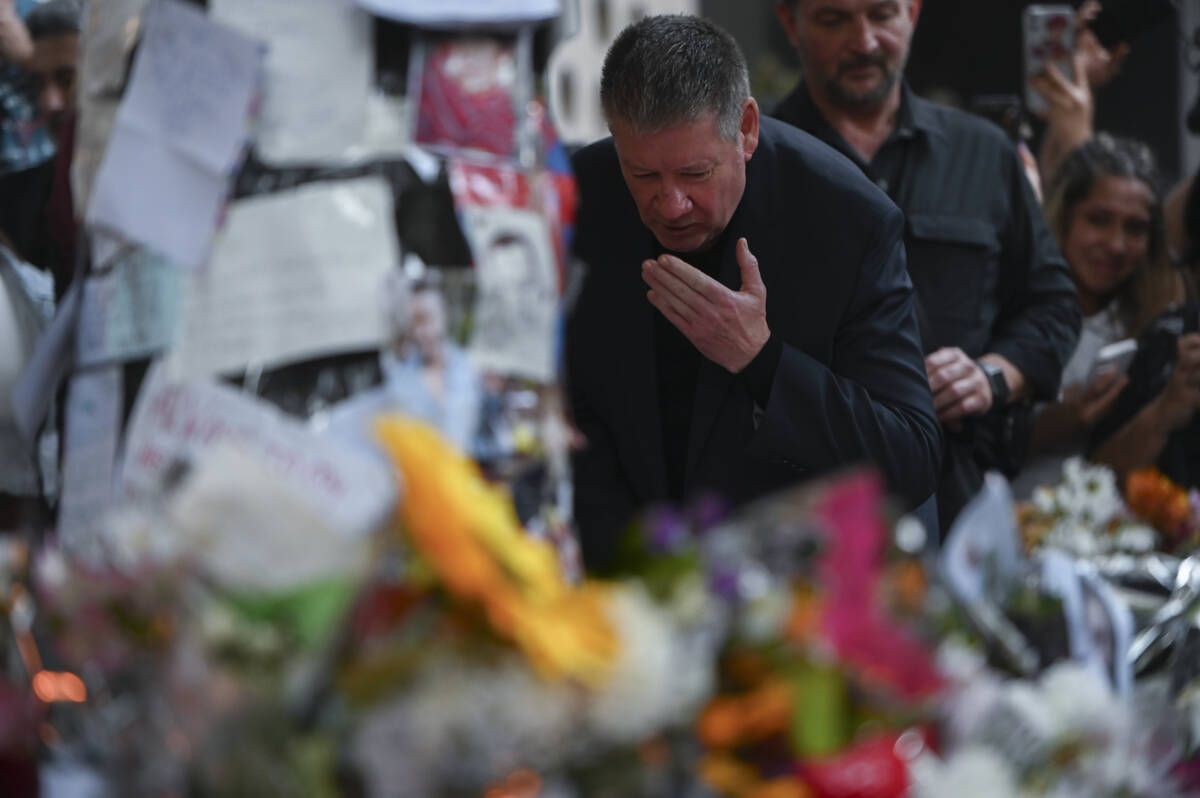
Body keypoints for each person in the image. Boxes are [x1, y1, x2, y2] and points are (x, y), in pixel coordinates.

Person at [567, 14, 941, 570]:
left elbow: (908, 460)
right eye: (643, 176)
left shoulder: (849, 220)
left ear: (746, 129)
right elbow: (577, 415)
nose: (670, 205)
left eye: (695, 174)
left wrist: (762, 361)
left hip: (799, 581)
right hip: (627, 571)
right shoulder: (577, 197)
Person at [771, 0, 1081, 532]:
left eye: (882, 15)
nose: (864, 41)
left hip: (962, 499)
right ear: (789, 23)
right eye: (833, 19)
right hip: (802, 510)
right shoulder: (757, 162)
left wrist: (991, 377)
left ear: (912, 15)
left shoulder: (984, 154)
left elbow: (1051, 304)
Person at [1013, 135, 1186, 494]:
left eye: (1135, 228)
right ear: (1063, 217)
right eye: (1098, 220)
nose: (1116, 245)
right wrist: (1066, 418)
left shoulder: (1154, 326)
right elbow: (971, 443)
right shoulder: (1012, 309)